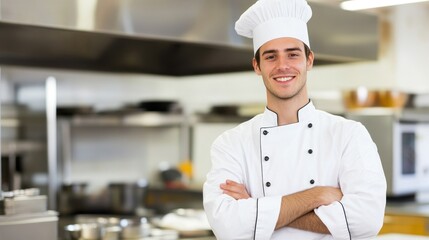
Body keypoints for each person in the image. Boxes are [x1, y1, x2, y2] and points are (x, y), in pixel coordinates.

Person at [202, 0, 387, 239]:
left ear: (309, 60)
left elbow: (367, 221)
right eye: (270, 57)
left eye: (292, 54)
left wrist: (256, 207)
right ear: (257, 66)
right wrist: (316, 195)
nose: (282, 66)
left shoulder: (349, 134)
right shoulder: (231, 143)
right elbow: (227, 227)